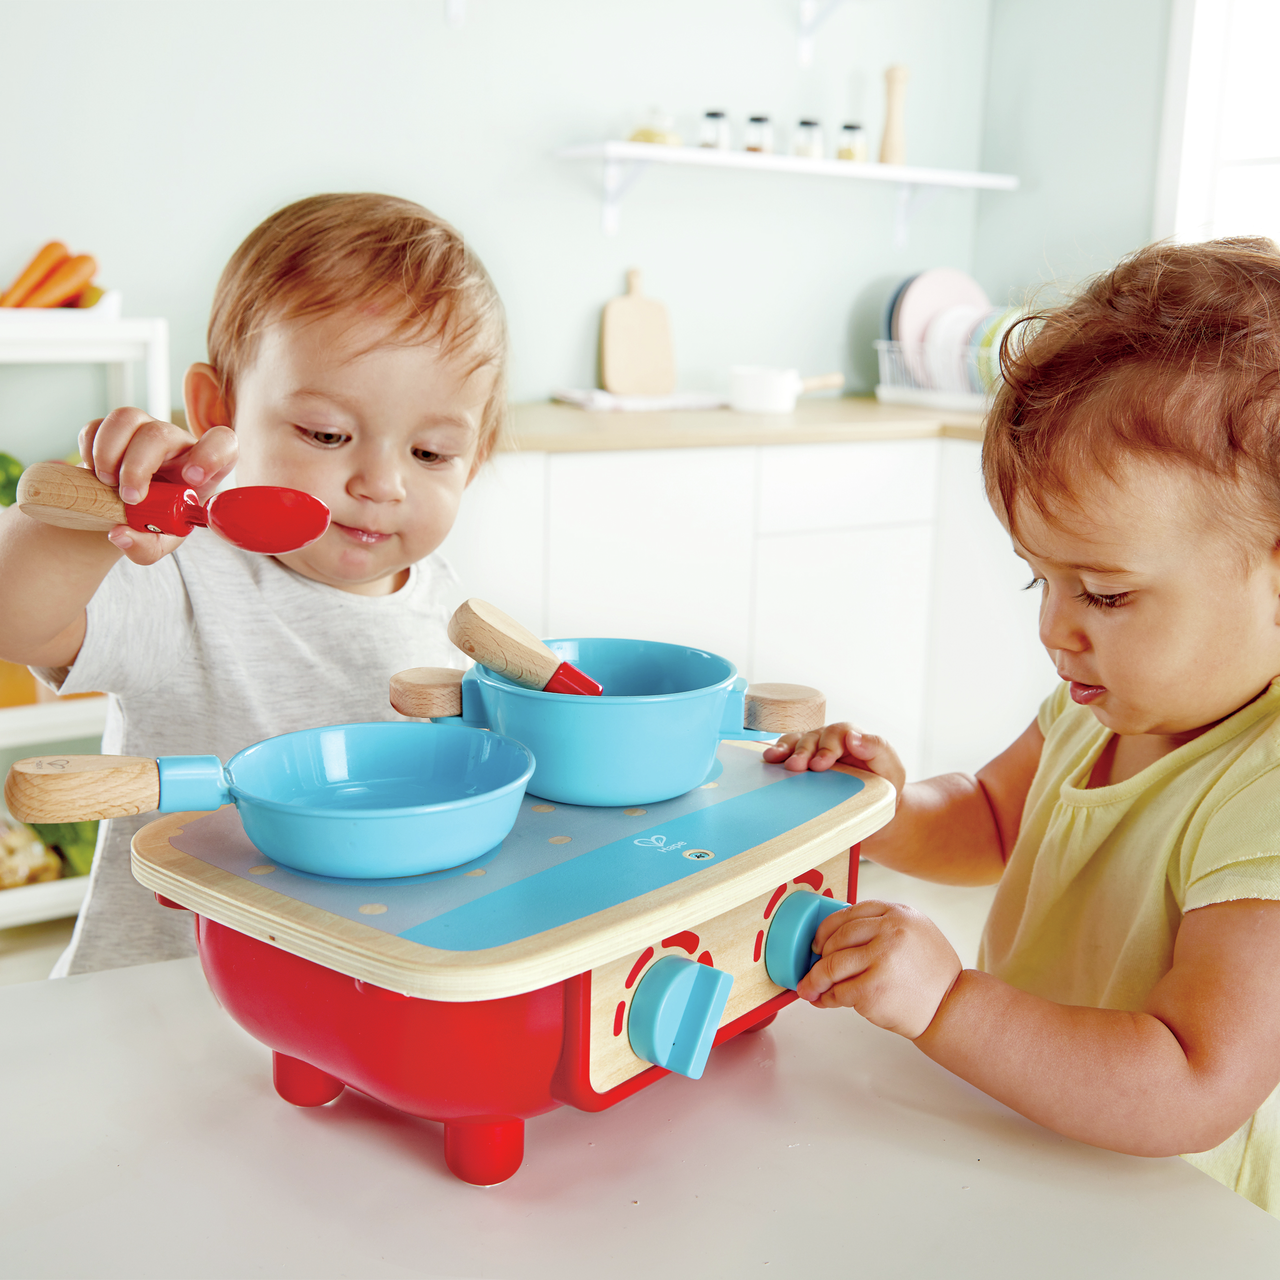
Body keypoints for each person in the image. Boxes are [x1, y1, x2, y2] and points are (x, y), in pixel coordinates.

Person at [764, 238, 1280, 1216]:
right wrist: (878, 806)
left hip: (1163, 1210)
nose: (1052, 628)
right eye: (1035, 577)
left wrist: (946, 1001)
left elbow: (1191, 1082)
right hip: (1025, 1132)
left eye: (1103, 592)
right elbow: (994, 819)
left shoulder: (1263, 796)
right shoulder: (1104, 704)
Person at [0, 193, 506, 975]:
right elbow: (15, 619)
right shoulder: (178, 574)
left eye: (433, 453)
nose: (381, 482)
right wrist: (99, 506)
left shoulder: (447, 607)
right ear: (217, 411)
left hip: (341, 988)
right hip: (164, 1003)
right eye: (327, 434)